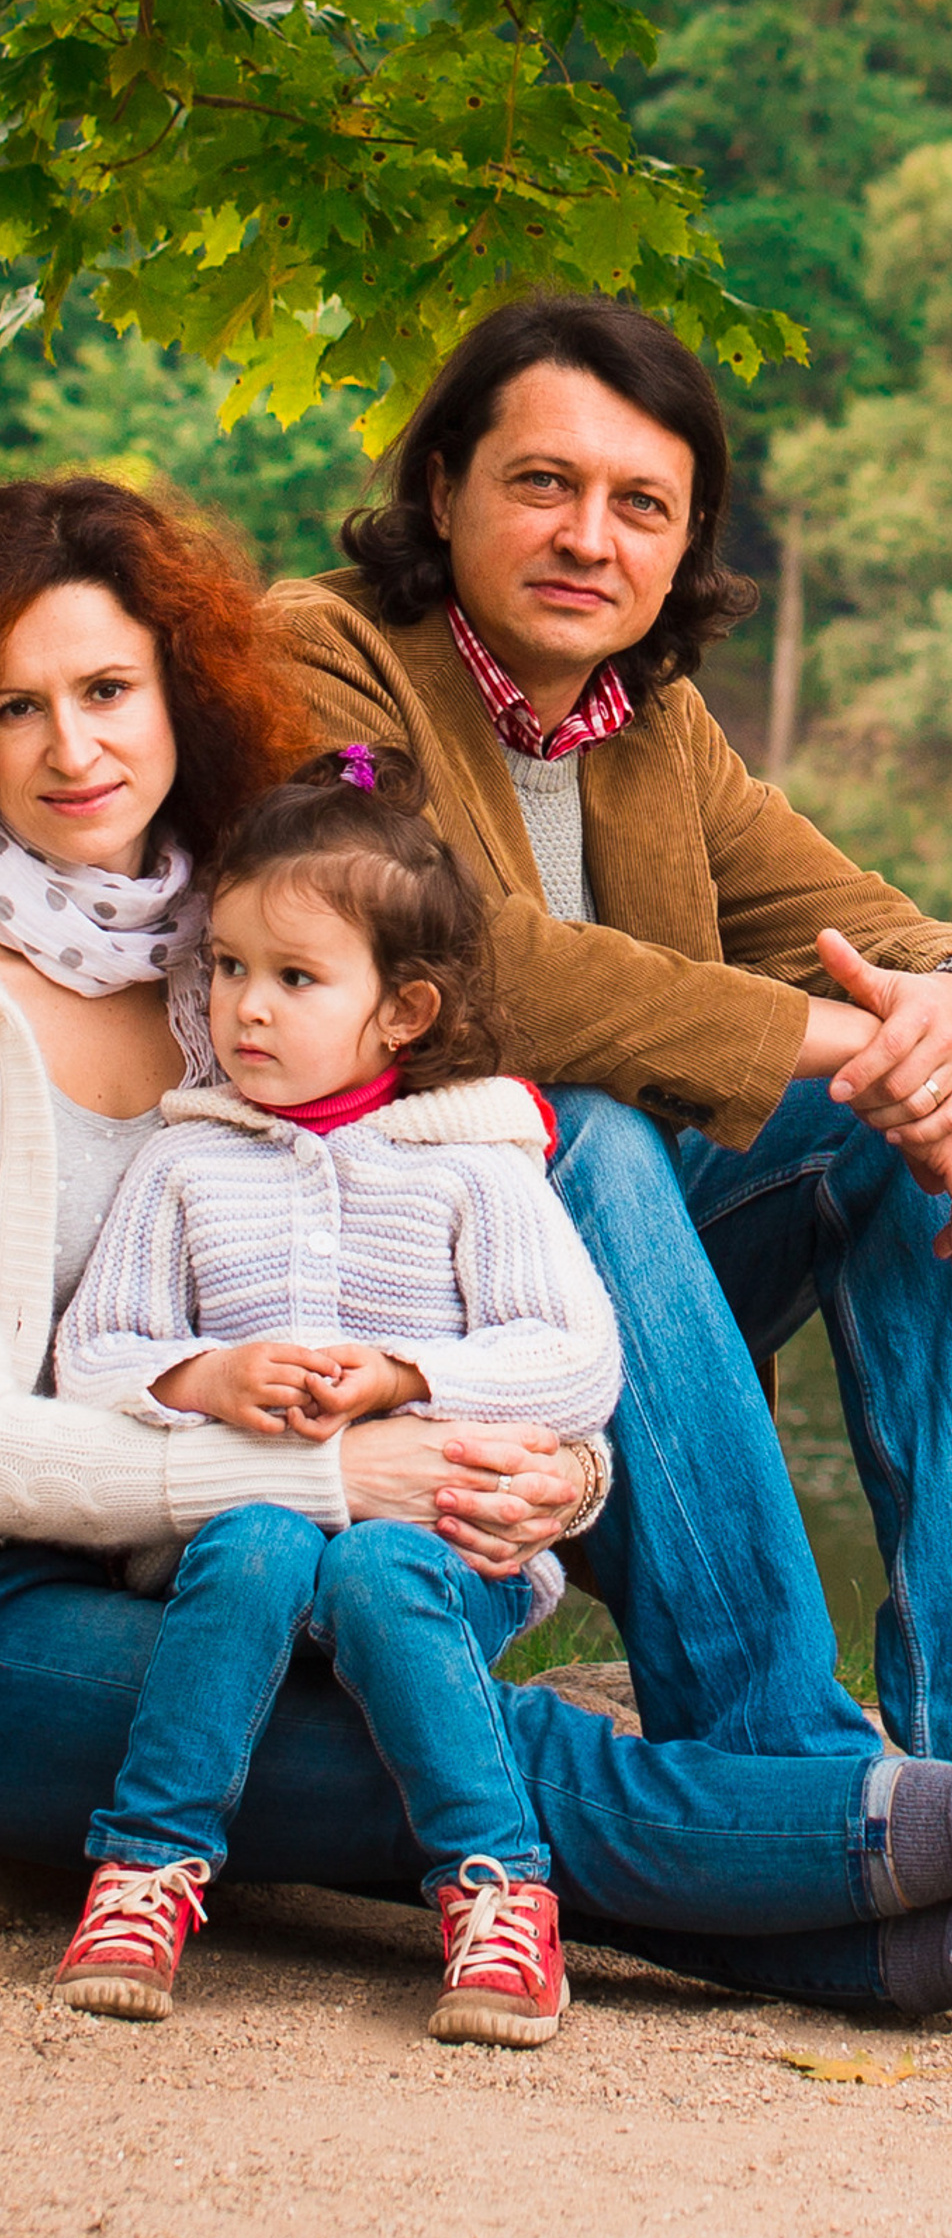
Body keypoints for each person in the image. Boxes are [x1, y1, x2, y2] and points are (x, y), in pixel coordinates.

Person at [0, 470, 952, 2074]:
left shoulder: (238, 945)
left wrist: (543, 1457)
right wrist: (346, 1467)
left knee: (820, 1142)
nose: (75, 748)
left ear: (176, 693)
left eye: (107, 690)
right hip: (64, 1599)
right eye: (15, 706)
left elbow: (421, 1248)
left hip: (310, 1542)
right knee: (511, 1771)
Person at [272, 296, 952, 1766]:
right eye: (545, 484)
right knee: (577, 1121)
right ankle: (782, 1764)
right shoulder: (318, 656)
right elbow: (450, 969)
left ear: (685, 543)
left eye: (641, 504)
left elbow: (872, 919)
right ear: (446, 484)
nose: (592, 538)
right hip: (388, 1298)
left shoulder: (649, 723)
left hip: (628, 1289)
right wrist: (847, 1038)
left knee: (895, 1121)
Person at [51, 744, 622, 2045]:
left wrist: (415, 1373)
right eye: (232, 969)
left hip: (431, 1554)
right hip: (230, 1535)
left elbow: (578, 1360)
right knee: (253, 1546)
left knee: (376, 1576)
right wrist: (206, 1373)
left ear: (402, 1012)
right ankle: (146, 1874)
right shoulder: (188, 1159)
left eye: (297, 979)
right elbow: (97, 1357)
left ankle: (498, 1893)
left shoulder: (473, 1161)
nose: (249, 1008)